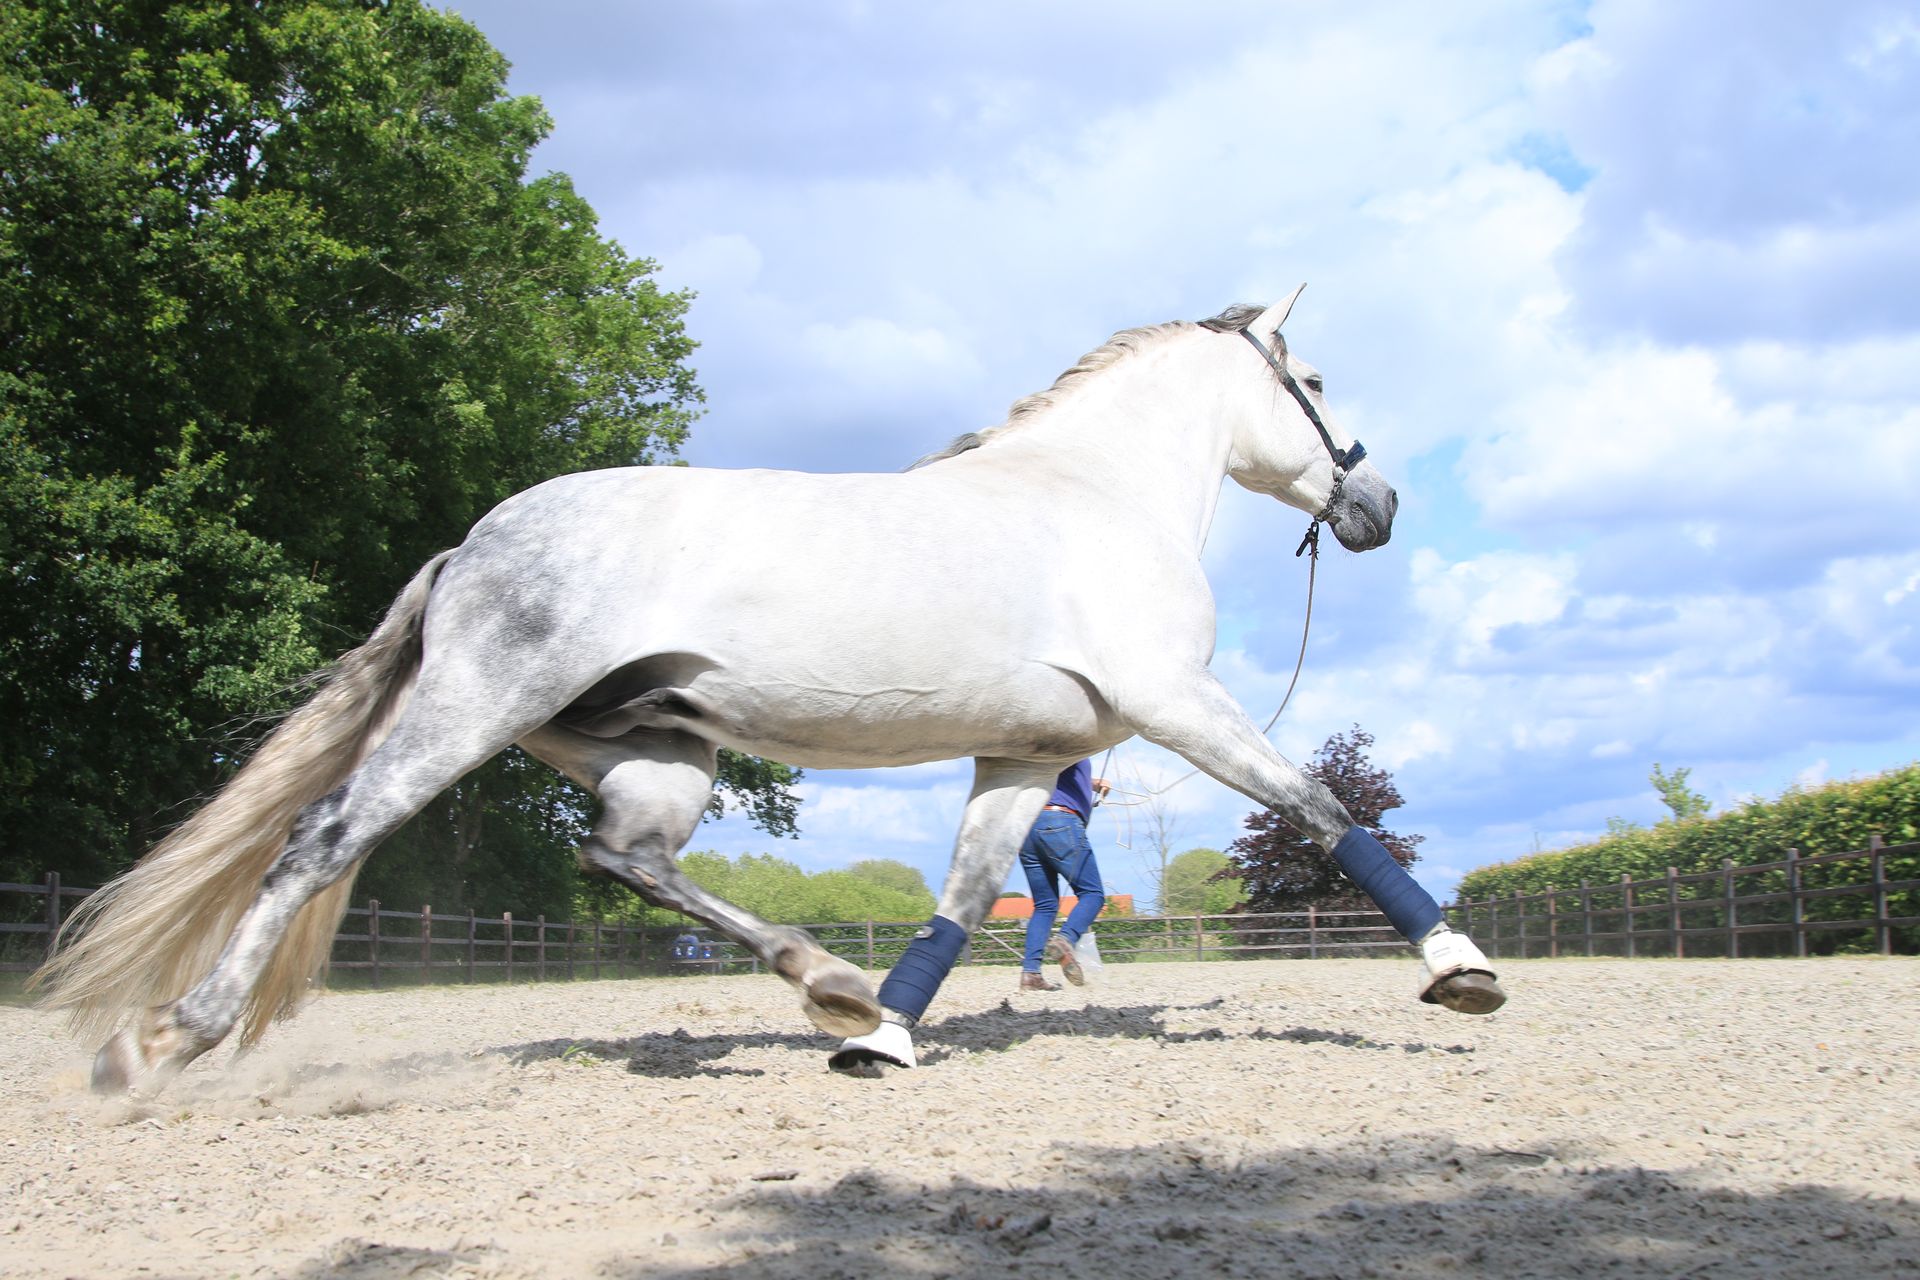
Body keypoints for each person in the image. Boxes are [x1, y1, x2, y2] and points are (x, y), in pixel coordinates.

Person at [1016, 759, 1109, 992]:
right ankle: (1066, 939)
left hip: (1027, 828)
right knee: (1093, 894)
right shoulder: (1071, 734)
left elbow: (1054, 769)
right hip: (1060, 820)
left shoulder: (1032, 743)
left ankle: (1031, 974)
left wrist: (1091, 783)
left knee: (1045, 905)